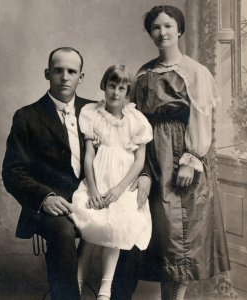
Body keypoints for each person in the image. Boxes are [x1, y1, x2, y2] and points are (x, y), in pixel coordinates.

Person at [111, 5, 230, 300]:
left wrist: (190, 159)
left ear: (179, 30)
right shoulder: (144, 73)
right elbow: (133, 120)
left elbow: (201, 119)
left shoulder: (195, 72)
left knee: (181, 235)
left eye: (168, 26)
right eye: (156, 28)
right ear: (150, 33)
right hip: (150, 157)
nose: (162, 32)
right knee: (159, 237)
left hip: (180, 156)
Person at [2, 47, 95, 300]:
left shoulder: (96, 111)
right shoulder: (27, 116)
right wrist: (45, 198)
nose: (65, 77)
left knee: (129, 226)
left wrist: (142, 176)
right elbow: (13, 172)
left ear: (81, 77)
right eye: (58, 71)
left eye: (72, 71)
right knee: (62, 232)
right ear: (47, 73)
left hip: (93, 200)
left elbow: (126, 146)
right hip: (53, 205)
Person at [63, 65, 153, 300]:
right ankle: (77, 286)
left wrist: (120, 188)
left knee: (118, 225)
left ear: (127, 92)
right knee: (91, 226)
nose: (115, 92)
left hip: (121, 183)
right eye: (111, 86)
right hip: (99, 178)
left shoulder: (136, 120)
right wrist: (93, 189)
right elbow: (89, 155)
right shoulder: (92, 114)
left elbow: (139, 160)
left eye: (121, 88)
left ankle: (105, 290)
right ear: (104, 86)